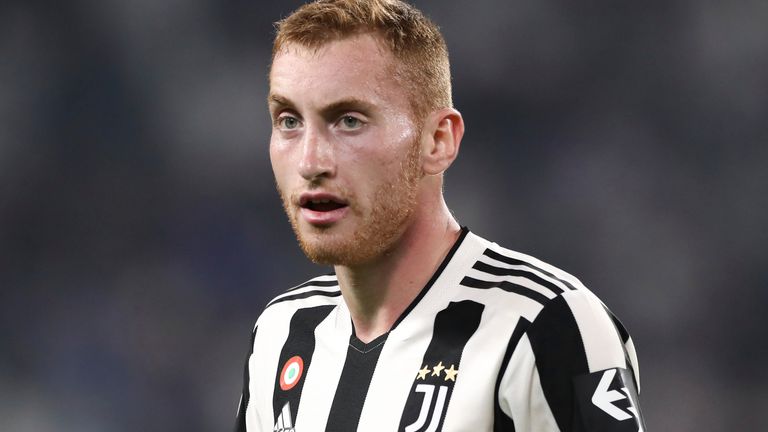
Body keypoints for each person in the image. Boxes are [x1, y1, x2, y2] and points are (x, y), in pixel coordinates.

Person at [235, 0, 646, 430]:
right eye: (288, 121)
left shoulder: (546, 325)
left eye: (349, 121)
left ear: (438, 141)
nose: (310, 161)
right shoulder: (281, 333)